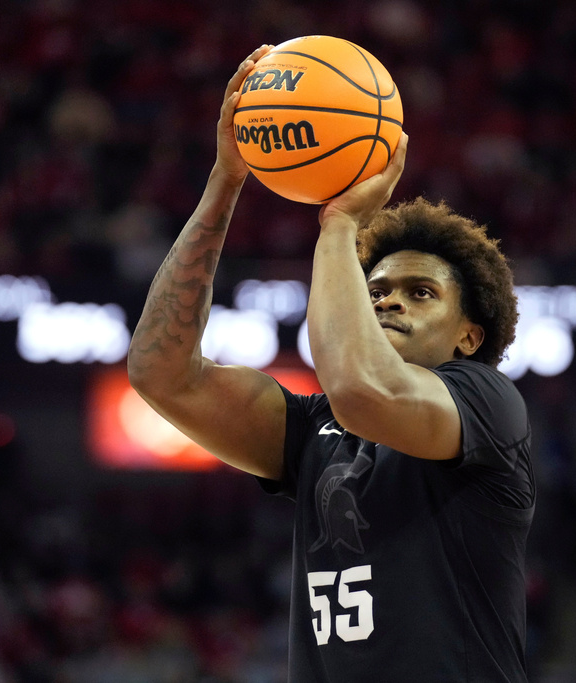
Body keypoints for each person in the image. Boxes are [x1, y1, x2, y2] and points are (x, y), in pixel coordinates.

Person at [128, 44, 535, 682]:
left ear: (468, 336)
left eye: (420, 293)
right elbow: (161, 373)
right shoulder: (315, 430)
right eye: (375, 292)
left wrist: (341, 225)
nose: (388, 302)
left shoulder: (487, 403)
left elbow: (362, 391)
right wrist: (225, 183)